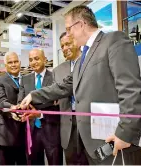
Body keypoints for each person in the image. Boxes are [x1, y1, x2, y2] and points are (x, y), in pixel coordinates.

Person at [20, 5, 141, 165]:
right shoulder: (81, 61)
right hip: (93, 143)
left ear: (80, 24)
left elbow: (130, 89)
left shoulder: (114, 40)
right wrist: (33, 95)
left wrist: (125, 133)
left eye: (69, 29)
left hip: (117, 140)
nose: (68, 35)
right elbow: (63, 87)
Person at [18, 49, 63, 165]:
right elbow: (20, 101)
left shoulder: (55, 77)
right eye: (31, 60)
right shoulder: (25, 79)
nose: (33, 62)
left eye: (37, 58)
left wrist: (40, 113)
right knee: (33, 162)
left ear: (45, 59)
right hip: (31, 131)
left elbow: (60, 106)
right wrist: (21, 109)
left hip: (51, 129)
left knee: (55, 162)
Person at [53, 32, 88, 165]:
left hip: (88, 121)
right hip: (68, 124)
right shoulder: (57, 71)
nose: (65, 48)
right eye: (62, 46)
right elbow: (54, 94)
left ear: (77, 43)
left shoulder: (89, 63)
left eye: (68, 44)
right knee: (71, 161)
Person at [0, 52, 27, 165]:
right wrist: (13, 108)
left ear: (20, 63)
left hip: (26, 134)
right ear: (5, 65)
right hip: (7, 134)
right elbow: (0, 101)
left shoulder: (28, 80)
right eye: (10, 62)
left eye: (15, 61)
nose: (13, 65)